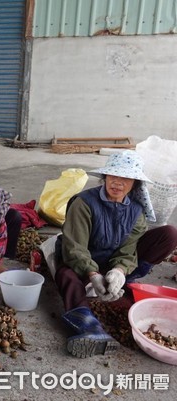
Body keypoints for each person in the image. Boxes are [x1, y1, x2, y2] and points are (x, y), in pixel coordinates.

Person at [54, 150, 177, 358]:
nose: (117, 183)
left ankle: (122, 282)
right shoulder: (84, 203)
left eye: (125, 178)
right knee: (66, 275)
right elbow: (75, 248)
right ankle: (89, 328)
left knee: (169, 234)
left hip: (111, 264)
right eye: (113, 176)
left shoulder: (136, 211)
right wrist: (93, 275)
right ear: (105, 177)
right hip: (81, 262)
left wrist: (119, 270)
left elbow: (128, 250)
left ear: (135, 184)